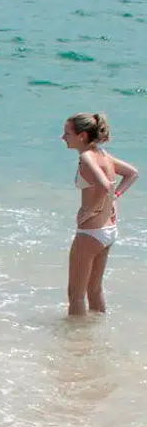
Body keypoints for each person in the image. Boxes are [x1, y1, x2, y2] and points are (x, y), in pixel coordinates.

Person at [63, 112, 138, 316]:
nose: (63, 138)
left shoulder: (86, 157)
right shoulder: (104, 154)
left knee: (75, 294)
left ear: (82, 136)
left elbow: (104, 186)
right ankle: (98, 335)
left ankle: (76, 344)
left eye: (67, 133)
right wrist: (116, 197)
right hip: (108, 230)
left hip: (91, 232)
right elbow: (132, 173)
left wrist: (91, 209)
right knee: (94, 290)